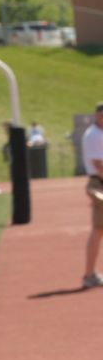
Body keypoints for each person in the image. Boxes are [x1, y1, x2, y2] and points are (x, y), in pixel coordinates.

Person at [82, 103, 103, 288]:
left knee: (99, 230)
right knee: (98, 230)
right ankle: (89, 275)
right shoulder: (94, 135)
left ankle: (90, 274)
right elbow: (99, 165)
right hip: (99, 184)